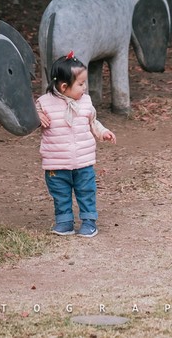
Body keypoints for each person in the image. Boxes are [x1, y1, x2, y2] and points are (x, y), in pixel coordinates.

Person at [36, 52, 116, 237]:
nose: (85, 87)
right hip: (56, 161)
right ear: (64, 86)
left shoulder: (86, 102)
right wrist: (36, 116)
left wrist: (103, 132)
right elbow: (28, 119)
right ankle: (64, 221)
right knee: (60, 193)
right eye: (80, 84)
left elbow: (93, 121)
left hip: (83, 160)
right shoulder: (44, 103)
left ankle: (88, 221)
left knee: (86, 191)